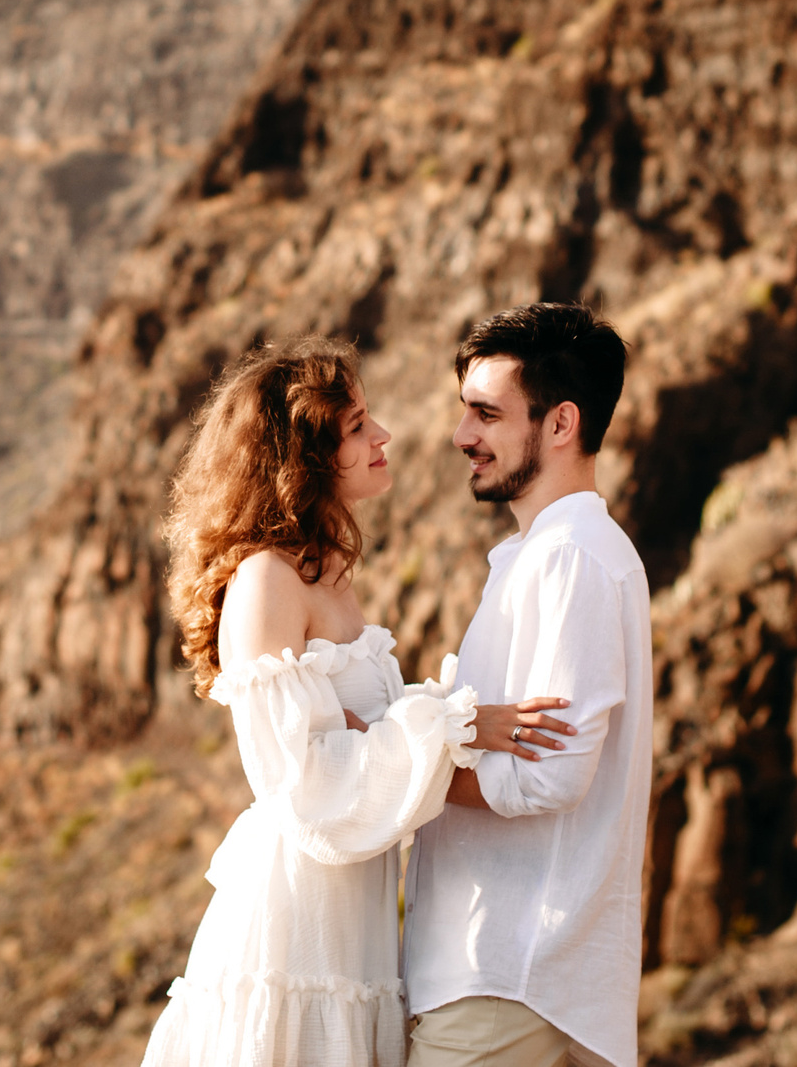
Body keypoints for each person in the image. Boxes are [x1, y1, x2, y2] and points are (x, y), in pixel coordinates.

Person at [143, 336, 578, 1067]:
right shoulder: (266, 581)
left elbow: (359, 742)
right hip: (295, 931)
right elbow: (307, 790)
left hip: (353, 923)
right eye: (356, 427)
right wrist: (448, 724)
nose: (384, 436)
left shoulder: (324, 573)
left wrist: (399, 727)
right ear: (301, 457)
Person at [403, 303, 649, 1067]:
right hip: (510, 976)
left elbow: (552, 773)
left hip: (508, 978)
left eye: (486, 413)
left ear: (560, 423)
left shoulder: (570, 556)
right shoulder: (545, 554)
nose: (461, 435)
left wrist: (413, 764)